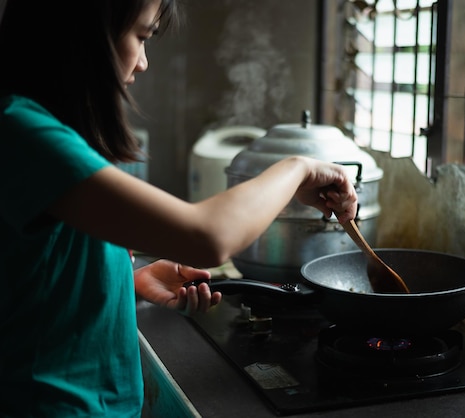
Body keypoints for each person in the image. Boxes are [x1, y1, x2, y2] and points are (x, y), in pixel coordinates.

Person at [0, 0, 358, 416]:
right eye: (141, 36)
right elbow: (208, 237)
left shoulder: (33, 126)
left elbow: (39, 269)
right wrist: (298, 168)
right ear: (83, 34)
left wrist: (128, 280)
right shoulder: (23, 133)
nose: (144, 62)